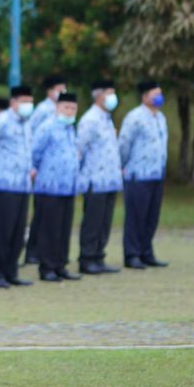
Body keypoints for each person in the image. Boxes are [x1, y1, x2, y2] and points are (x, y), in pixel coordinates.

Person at [0, 85, 35, 288]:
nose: (28, 105)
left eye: (30, 102)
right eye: (24, 101)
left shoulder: (27, 124)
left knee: (18, 233)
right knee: (1, 232)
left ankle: (11, 271)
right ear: (13, 103)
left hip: (22, 185)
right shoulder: (0, 121)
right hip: (3, 185)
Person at [118, 80, 170, 270]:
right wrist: (123, 165)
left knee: (151, 217)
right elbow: (124, 144)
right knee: (136, 216)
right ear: (145, 96)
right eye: (155, 94)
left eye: (160, 93)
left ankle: (146, 252)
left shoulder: (160, 117)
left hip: (156, 174)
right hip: (137, 175)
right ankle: (132, 254)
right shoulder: (135, 117)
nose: (159, 97)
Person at [31, 90, 81, 281]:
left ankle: (60, 265)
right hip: (50, 186)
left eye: (73, 108)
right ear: (58, 108)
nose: (70, 112)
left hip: (67, 186)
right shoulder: (47, 127)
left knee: (63, 228)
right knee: (49, 229)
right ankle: (47, 267)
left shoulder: (70, 129)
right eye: (66, 107)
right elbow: (35, 152)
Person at [76, 82, 122, 274]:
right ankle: (87, 258)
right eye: (109, 93)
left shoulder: (106, 118)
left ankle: (98, 256)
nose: (113, 96)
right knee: (93, 222)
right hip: (95, 179)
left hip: (110, 180)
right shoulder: (90, 119)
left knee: (104, 222)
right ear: (99, 96)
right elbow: (80, 149)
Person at [25, 75, 66, 266]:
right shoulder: (43, 110)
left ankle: (42, 250)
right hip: (42, 169)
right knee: (41, 213)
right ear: (50, 91)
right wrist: (33, 165)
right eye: (59, 88)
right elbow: (33, 134)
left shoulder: (63, 111)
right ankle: (33, 251)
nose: (63, 91)